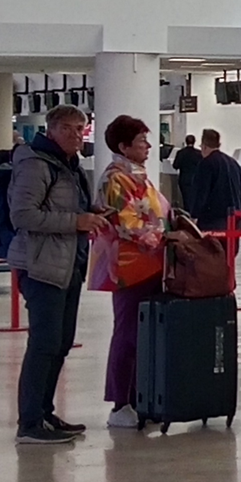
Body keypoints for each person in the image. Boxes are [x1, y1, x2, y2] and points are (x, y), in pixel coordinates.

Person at [9, 105, 105, 445]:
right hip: (41, 266)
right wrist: (75, 222)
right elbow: (23, 215)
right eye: (68, 129)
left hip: (69, 264)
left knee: (61, 343)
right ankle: (29, 422)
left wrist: (91, 213)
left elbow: (69, 207)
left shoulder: (70, 165)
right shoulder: (36, 164)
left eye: (81, 129)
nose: (77, 135)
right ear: (51, 130)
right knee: (44, 344)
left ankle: (44, 413)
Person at [98, 116, 172, 430]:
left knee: (145, 335)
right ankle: (120, 403)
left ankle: (142, 396)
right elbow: (127, 223)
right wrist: (162, 236)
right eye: (142, 141)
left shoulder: (138, 176)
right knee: (127, 334)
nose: (149, 147)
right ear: (124, 146)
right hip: (128, 267)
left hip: (152, 264)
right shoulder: (116, 178)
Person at [186, 129, 241, 233]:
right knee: (230, 248)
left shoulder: (206, 164)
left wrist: (194, 215)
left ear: (204, 146)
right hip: (234, 218)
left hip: (212, 220)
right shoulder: (234, 163)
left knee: (212, 248)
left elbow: (201, 192)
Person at [171, 133, 202, 210]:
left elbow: (175, 165)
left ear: (186, 141)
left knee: (186, 200)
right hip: (196, 180)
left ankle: (187, 215)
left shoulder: (181, 153)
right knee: (194, 200)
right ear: (194, 142)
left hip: (184, 179)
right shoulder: (199, 153)